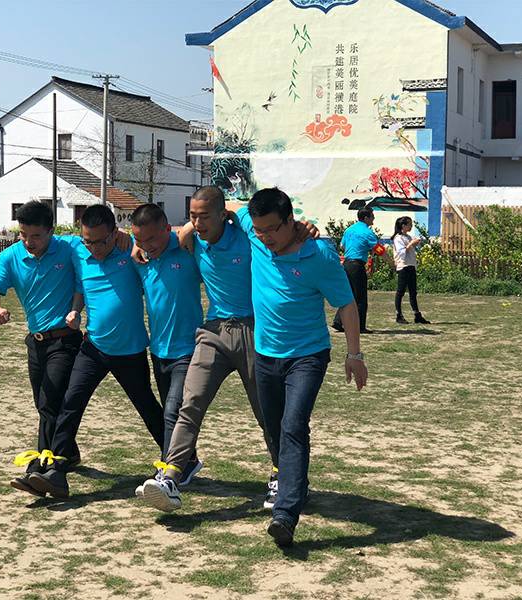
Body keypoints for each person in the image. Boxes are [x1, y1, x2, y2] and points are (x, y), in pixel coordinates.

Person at [138, 186, 318, 513]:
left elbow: (254, 214)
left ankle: (285, 476)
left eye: (204, 216)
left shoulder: (246, 234)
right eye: (192, 216)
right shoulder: (193, 241)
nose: (197, 223)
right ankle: (172, 476)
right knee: (191, 403)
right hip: (214, 331)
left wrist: (303, 227)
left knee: (266, 411)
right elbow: (157, 240)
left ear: (222, 214)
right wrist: (141, 243)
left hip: (254, 330)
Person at [242, 188, 367, 546]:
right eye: (259, 230)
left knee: (293, 425)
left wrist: (354, 355)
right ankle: (296, 484)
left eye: (272, 229)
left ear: (290, 221)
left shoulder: (319, 255)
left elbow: (346, 304)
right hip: (265, 354)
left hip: (307, 356)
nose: (265, 237)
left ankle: (285, 514)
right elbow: (228, 208)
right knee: (273, 428)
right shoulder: (255, 235)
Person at [28, 204, 165, 499]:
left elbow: (160, 243)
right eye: (88, 241)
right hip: (93, 347)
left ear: (114, 234)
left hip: (129, 351)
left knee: (147, 406)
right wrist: (75, 310)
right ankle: (57, 471)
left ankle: (178, 460)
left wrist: (131, 239)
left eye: (101, 242)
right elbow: (46, 242)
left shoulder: (130, 253)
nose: (94, 248)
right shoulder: (78, 251)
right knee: (70, 403)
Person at [0, 200, 83, 497]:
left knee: (49, 402)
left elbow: (84, 278)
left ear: (51, 231)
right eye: (23, 234)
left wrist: (76, 309)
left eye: (36, 236)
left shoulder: (69, 248)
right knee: (44, 403)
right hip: (36, 342)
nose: (28, 241)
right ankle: (68, 453)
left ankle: (41, 467)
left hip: (64, 340)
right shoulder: (11, 256)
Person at [129, 204, 205, 494]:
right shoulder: (141, 257)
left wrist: (189, 227)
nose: (147, 245)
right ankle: (189, 460)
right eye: (140, 240)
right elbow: (123, 239)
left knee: (174, 410)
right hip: (158, 350)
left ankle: (168, 472)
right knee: (169, 413)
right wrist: (135, 244)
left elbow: (210, 222)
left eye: (152, 239)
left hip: (188, 349)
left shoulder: (187, 247)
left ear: (166, 228)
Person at [332, 207, 379, 334]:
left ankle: (338, 321)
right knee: (360, 297)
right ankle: (360, 326)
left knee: (349, 294)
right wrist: (391, 262)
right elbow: (379, 249)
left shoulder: (349, 230)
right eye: (372, 216)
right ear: (366, 218)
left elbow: (342, 246)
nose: (373, 218)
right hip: (357, 265)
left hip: (347, 264)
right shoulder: (367, 232)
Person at [392, 216, 430, 325]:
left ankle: (417, 315)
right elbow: (401, 253)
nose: (411, 226)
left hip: (411, 265)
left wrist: (415, 243)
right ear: (403, 226)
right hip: (403, 266)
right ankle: (399, 315)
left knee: (413, 292)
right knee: (401, 291)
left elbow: (410, 249)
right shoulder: (398, 238)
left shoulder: (408, 237)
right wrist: (411, 244)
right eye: (409, 224)